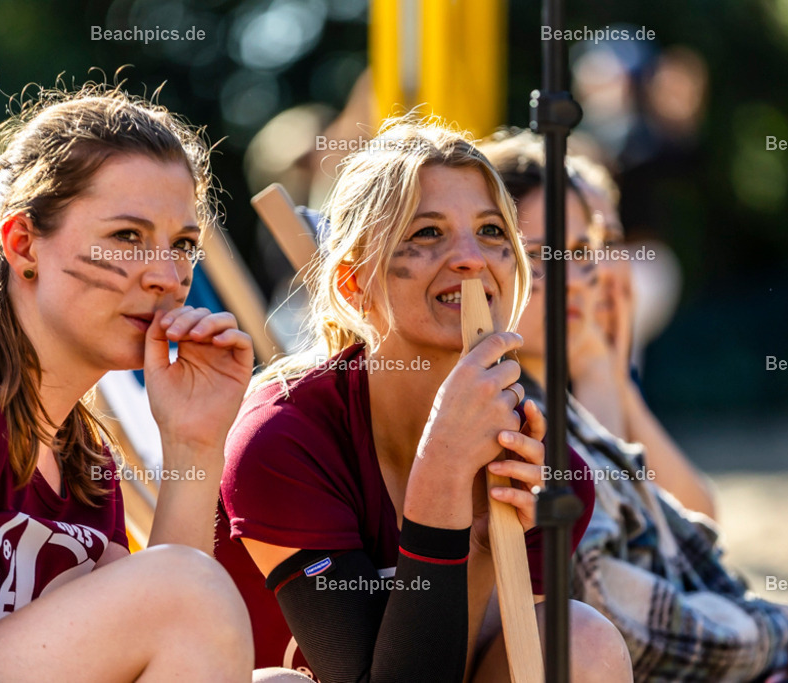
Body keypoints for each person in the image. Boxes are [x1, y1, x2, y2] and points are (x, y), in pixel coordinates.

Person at [0, 84, 304, 682]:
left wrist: (194, 440)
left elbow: (167, 642)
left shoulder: (84, 454)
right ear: (23, 244)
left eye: (184, 245)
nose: (167, 276)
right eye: (127, 237)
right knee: (182, 592)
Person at [216, 117, 633, 682]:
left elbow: (452, 669)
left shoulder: (543, 469)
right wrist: (441, 476)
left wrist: (486, 533)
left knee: (575, 639)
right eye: (427, 233)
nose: (470, 258)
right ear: (352, 284)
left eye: (491, 232)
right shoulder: (284, 439)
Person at [479, 129, 788, 683]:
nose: (588, 277)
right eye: (547, 256)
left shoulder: (562, 402)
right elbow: (618, 596)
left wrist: (605, 372)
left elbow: (686, 535)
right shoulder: (516, 418)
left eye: (594, 248)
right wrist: (780, 632)